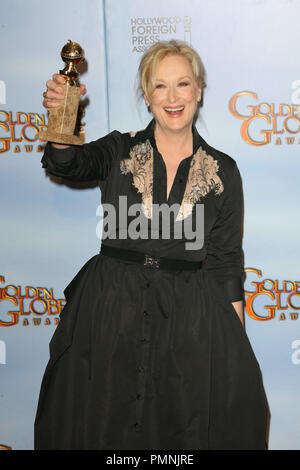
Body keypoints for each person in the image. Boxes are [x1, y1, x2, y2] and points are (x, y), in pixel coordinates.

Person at [34, 39, 269, 450]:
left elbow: (225, 267)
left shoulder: (224, 172)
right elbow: (67, 163)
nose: (173, 97)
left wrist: (235, 356)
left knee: (178, 431)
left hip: (187, 324)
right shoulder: (118, 149)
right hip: (110, 317)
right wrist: (61, 122)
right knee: (105, 424)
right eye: (160, 86)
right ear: (146, 95)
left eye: (183, 84)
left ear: (199, 90)